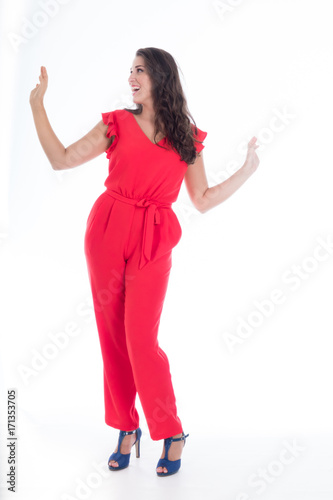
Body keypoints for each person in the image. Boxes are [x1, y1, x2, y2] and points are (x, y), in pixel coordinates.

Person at [29, 47, 260, 477]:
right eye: (130, 70)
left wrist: (245, 171)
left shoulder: (187, 137)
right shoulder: (116, 123)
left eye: (140, 70)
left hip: (154, 239)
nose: (131, 77)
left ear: (160, 76)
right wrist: (37, 105)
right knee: (112, 336)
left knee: (140, 339)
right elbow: (60, 159)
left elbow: (203, 200)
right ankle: (125, 428)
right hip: (107, 231)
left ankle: (171, 432)